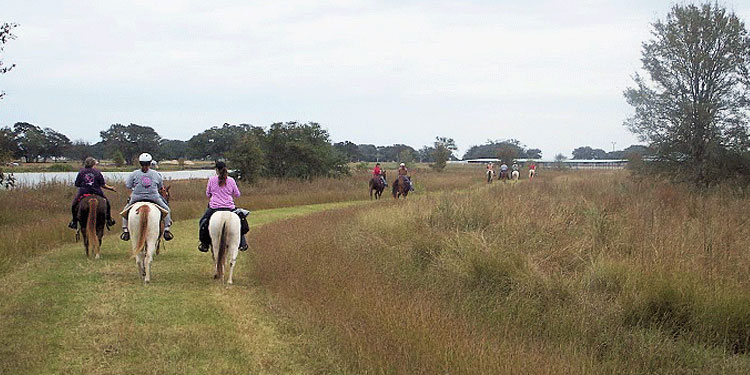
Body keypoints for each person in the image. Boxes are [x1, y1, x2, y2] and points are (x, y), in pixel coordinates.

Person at [120, 153, 173, 241]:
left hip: (137, 197)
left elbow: (128, 186)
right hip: (154, 197)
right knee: (167, 209)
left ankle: (125, 230)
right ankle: (167, 230)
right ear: (150, 163)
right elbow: (160, 187)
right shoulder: (156, 174)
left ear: (140, 163)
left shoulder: (134, 174)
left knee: (125, 211)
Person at [198, 161, 248, 252]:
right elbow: (237, 194)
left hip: (214, 208)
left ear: (216, 170)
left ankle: (204, 244)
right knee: (241, 221)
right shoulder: (231, 180)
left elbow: (207, 194)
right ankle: (242, 243)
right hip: (230, 208)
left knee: (202, 222)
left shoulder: (211, 180)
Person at [68, 157, 117, 229]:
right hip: (97, 192)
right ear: (93, 165)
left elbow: (77, 184)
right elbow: (102, 185)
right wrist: (111, 188)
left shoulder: (81, 172)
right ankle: (109, 219)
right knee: (107, 204)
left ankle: (74, 222)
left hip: (83, 193)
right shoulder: (97, 172)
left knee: (74, 205)